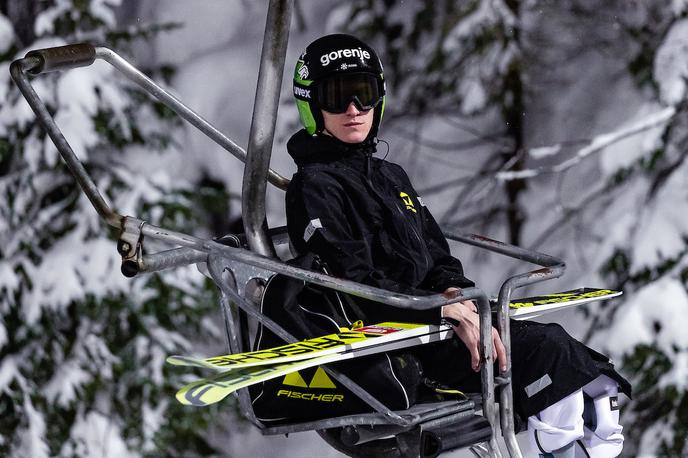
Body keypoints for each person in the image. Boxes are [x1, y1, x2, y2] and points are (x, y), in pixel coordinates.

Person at [283, 33, 630, 457]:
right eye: (337, 97)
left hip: (441, 323)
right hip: (398, 342)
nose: (354, 110)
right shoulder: (315, 187)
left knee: (594, 380)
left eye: (364, 94)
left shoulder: (390, 176)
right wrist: (438, 308)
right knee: (551, 356)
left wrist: (455, 293)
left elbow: (436, 254)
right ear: (312, 105)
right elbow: (349, 281)